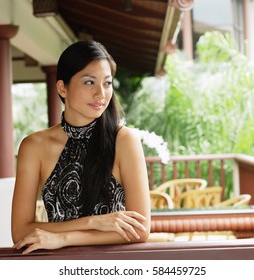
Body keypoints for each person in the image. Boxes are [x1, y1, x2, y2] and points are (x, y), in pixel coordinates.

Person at [11, 40, 151, 254]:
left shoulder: (125, 141)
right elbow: (21, 231)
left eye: (107, 83)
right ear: (62, 88)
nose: (101, 94)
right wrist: (93, 222)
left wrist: (64, 238)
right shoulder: (33, 147)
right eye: (89, 82)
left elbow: (140, 230)